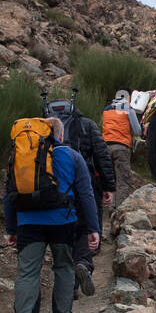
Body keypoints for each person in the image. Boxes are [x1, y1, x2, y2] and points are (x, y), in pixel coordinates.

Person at [4, 114, 101, 313]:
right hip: (63, 221)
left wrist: (11, 228)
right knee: (64, 267)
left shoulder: (21, 156)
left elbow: (8, 193)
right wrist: (93, 228)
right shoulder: (71, 156)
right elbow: (86, 194)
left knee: (28, 273)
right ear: (60, 134)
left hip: (27, 221)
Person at [52, 99, 114, 296]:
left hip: (57, 188)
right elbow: (102, 156)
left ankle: (70, 283)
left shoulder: (42, 128)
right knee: (86, 228)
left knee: (65, 231)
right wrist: (109, 186)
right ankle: (84, 264)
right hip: (87, 184)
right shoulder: (88, 125)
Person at [101, 89, 141, 210]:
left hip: (105, 148)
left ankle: (109, 208)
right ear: (128, 97)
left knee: (109, 179)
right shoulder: (128, 109)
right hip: (121, 148)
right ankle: (119, 212)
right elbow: (137, 131)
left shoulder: (106, 109)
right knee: (122, 180)